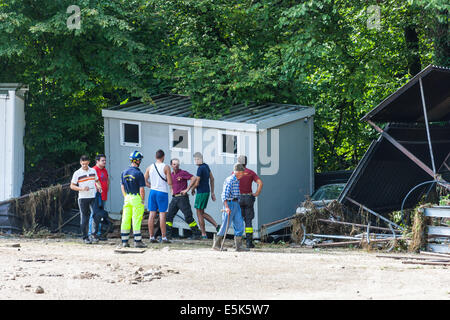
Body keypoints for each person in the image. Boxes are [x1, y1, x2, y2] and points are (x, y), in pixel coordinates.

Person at [213, 163, 248, 252]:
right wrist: (226, 207)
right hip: (229, 203)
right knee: (225, 224)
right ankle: (216, 244)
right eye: (242, 173)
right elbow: (224, 195)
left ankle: (238, 246)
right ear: (238, 172)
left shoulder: (237, 180)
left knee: (239, 223)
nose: (243, 174)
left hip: (236, 203)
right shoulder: (230, 180)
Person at [166, 158, 202, 240]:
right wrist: (171, 190)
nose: (176, 166)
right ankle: (168, 235)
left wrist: (187, 189)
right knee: (169, 216)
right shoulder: (171, 175)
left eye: (177, 164)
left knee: (188, 217)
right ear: (171, 165)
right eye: (174, 164)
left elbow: (194, 178)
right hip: (174, 198)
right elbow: (170, 183)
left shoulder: (182, 173)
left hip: (182, 198)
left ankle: (197, 234)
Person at [70, 155, 102, 244]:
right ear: (80, 163)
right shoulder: (77, 173)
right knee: (84, 217)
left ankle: (94, 234)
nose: (84, 166)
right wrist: (82, 189)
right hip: (83, 198)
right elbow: (72, 186)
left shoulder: (93, 170)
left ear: (88, 162)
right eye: (83, 164)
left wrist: (99, 186)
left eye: (86, 164)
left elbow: (97, 180)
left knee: (96, 214)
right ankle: (85, 237)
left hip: (93, 196)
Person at [144, 149, 173, 243]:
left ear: (156, 157)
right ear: (163, 156)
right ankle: (164, 237)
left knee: (151, 214)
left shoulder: (150, 167)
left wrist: (151, 186)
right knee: (162, 215)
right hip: (162, 192)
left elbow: (144, 180)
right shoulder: (166, 167)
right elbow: (169, 182)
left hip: (153, 192)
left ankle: (151, 237)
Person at [120, 151, 147, 248]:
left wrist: (125, 196)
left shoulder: (124, 172)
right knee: (136, 219)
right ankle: (137, 241)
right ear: (138, 160)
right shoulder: (139, 173)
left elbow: (122, 186)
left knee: (125, 219)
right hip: (136, 197)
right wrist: (142, 200)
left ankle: (124, 241)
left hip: (127, 197)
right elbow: (142, 190)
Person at [236, 155, 263, 248]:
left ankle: (238, 242)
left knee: (238, 220)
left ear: (238, 163)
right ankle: (249, 242)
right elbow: (260, 183)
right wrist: (256, 193)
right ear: (246, 163)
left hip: (238, 198)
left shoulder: (235, 173)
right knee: (248, 221)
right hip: (248, 198)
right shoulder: (251, 173)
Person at [192, 152, 220, 239]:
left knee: (199, 213)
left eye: (196, 159)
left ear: (200, 159)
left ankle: (207, 232)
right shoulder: (206, 166)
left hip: (201, 192)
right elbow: (212, 179)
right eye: (195, 159)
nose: (195, 161)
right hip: (207, 191)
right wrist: (212, 192)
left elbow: (197, 182)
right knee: (201, 213)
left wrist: (192, 189)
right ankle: (207, 232)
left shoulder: (200, 169)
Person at [89, 154, 112, 240]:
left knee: (101, 215)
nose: (104, 162)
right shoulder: (93, 170)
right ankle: (91, 233)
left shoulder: (105, 170)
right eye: (102, 160)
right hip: (96, 196)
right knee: (94, 214)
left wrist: (106, 189)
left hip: (103, 195)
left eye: (105, 160)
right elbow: (92, 182)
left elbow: (107, 181)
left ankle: (98, 233)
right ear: (97, 161)